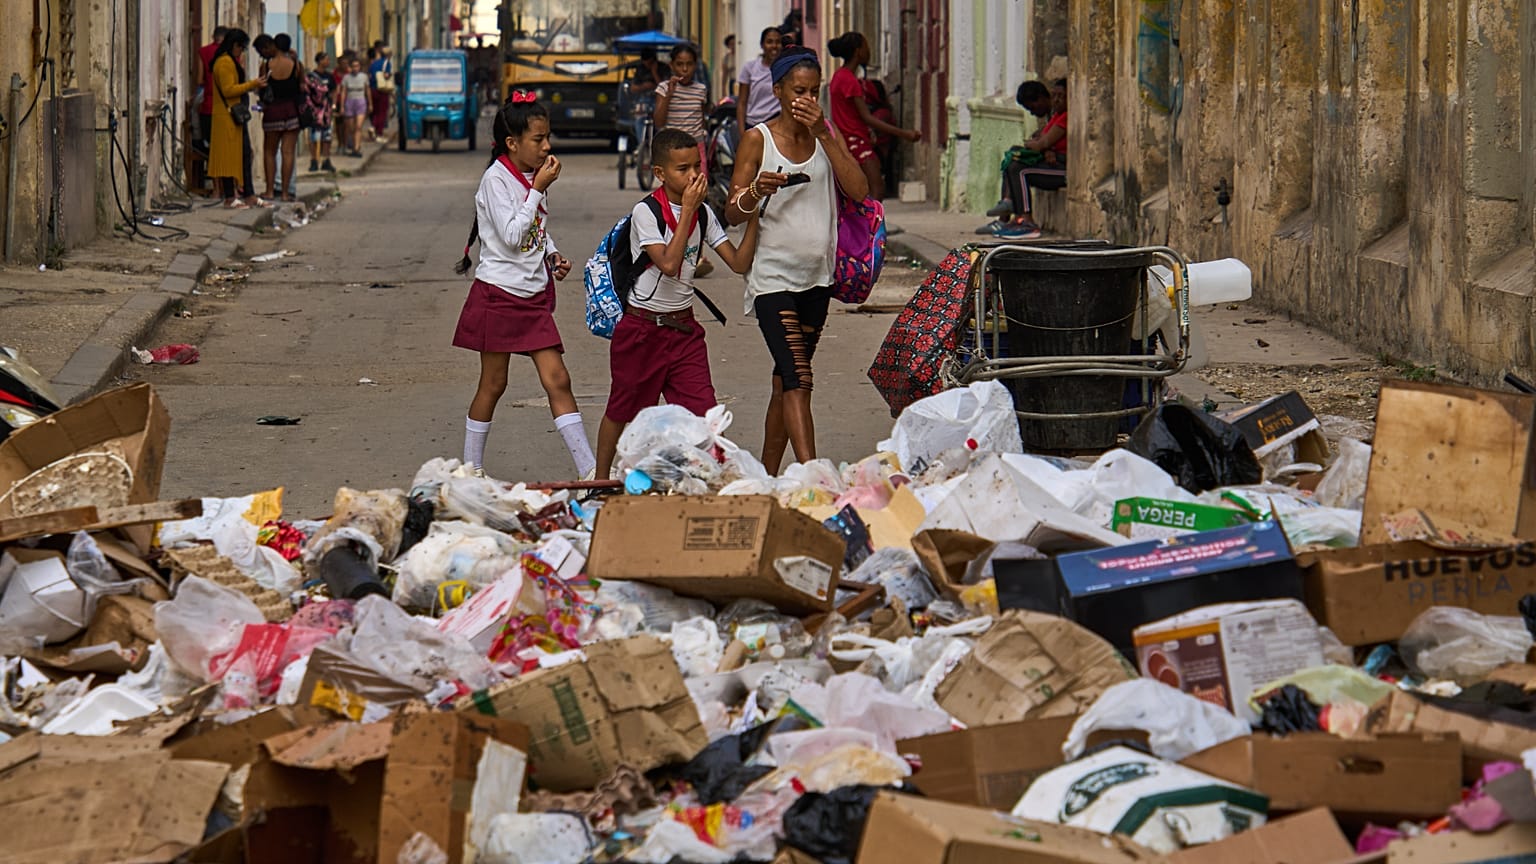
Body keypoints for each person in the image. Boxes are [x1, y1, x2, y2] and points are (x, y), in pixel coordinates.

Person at [725, 47, 870, 472]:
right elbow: (732, 211)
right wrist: (757, 190)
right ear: (778, 91)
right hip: (772, 279)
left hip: (817, 278)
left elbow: (859, 191)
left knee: (784, 381)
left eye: (813, 90)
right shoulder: (759, 139)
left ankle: (768, 477)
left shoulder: (826, 135)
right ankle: (815, 473)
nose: (806, 99)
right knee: (800, 379)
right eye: (798, 90)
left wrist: (826, 134)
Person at [593, 129, 762, 479]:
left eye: (697, 166)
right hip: (642, 329)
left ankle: (714, 479)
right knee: (623, 411)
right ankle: (599, 478)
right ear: (660, 173)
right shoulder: (647, 212)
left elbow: (739, 263)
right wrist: (687, 209)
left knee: (706, 416)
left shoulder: (702, 214)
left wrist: (757, 214)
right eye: (682, 169)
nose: (694, 176)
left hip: (683, 331)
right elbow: (669, 265)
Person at [451, 95, 592, 480]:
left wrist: (553, 254)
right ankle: (471, 469)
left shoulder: (532, 176)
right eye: (538, 139)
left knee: (558, 378)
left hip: (531, 296)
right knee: (493, 383)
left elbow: (535, 231)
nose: (546, 147)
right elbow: (513, 236)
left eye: (548, 138)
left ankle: (589, 470)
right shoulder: (496, 180)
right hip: (499, 294)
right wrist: (538, 189)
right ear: (512, 143)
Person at [826, 31, 920, 201]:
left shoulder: (839, 77)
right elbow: (867, 117)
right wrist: (904, 134)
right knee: (876, 189)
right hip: (856, 142)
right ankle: (873, 227)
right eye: (866, 47)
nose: (869, 52)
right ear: (857, 51)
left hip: (848, 140)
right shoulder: (850, 81)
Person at [979, 78, 1067, 239]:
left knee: (1019, 169)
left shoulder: (1065, 117)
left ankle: (1027, 220)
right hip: (1053, 163)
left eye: (1060, 96)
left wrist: (1042, 146)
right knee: (1013, 158)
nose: (1056, 100)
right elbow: (1041, 137)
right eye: (1054, 96)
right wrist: (1043, 145)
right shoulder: (1056, 116)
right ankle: (1007, 213)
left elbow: (1041, 142)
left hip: (1063, 169)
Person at [208, 29, 270, 209]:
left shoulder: (229, 61)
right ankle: (230, 197)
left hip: (233, 117)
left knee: (244, 154)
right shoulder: (225, 63)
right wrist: (253, 84)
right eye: (241, 48)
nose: (241, 52)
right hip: (227, 117)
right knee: (228, 158)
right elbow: (228, 90)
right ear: (234, 45)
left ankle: (248, 193)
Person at [259, 33, 306, 201]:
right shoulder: (296, 65)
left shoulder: (266, 66)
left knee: (269, 151)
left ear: (275, 46)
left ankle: (270, 190)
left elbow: (261, 89)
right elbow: (302, 87)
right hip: (291, 112)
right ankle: (285, 193)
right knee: (288, 152)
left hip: (272, 112)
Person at [735, 27, 782, 133]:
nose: (774, 46)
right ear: (762, 45)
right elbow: (742, 103)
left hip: (777, 126)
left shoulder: (786, 70)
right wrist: (742, 134)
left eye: (778, 42)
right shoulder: (750, 68)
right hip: (753, 125)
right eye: (769, 42)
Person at [195, 25, 229, 155]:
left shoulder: (203, 52)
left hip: (209, 106)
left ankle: (215, 175)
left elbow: (199, 80)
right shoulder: (233, 54)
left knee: (210, 146)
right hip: (227, 107)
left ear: (213, 37)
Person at [307, 52, 337, 173]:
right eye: (326, 59)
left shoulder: (329, 76)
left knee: (327, 136)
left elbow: (334, 90)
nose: (328, 61)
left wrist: (333, 104)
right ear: (319, 61)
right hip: (315, 111)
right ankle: (314, 160)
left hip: (327, 111)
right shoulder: (311, 77)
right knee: (314, 136)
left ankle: (326, 160)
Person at [340, 57, 370, 156]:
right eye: (353, 66)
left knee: (358, 126)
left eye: (357, 66)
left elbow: (367, 90)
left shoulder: (364, 77)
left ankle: (357, 147)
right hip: (350, 101)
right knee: (351, 128)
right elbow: (343, 91)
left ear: (359, 67)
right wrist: (342, 106)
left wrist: (370, 103)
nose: (355, 68)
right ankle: (353, 146)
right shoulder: (346, 78)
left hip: (360, 100)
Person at [369, 44, 394, 137]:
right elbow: (386, 75)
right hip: (382, 89)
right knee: (382, 111)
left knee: (375, 111)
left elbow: (370, 75)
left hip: (373, 89)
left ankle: (373, 126)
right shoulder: (387, 63)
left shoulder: (374, 63)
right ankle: (378, 131)